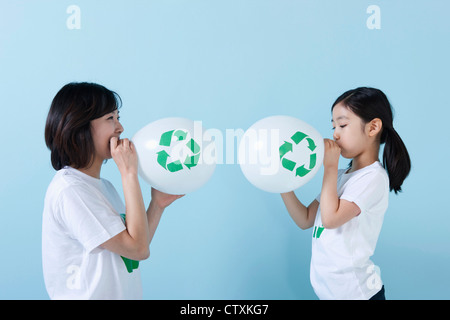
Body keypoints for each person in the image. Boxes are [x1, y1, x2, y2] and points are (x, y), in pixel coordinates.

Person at [42, 82, 183, 299]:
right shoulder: (71, 190)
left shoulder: (103, 187)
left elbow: (131, 249)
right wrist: (128, 172)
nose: (120, 128)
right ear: (79, 127)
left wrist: (157, 205)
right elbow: (138, 249)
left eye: (118, 117)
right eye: (110, 118)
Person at [281, 87, 411, 300]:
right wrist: (282, 184)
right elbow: (306, 219)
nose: (335, 134)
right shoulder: (342, 176)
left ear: (373, 127)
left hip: (359, 295)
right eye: (333, 126)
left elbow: (331, 219)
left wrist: (329, 168)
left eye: (342, 125)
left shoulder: (373, 178)